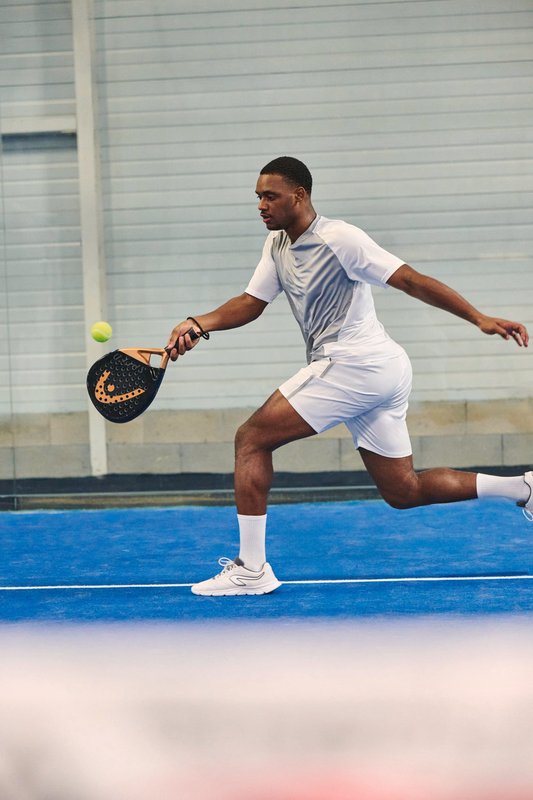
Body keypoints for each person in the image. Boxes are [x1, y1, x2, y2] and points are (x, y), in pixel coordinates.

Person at [167, 156, 531, 596]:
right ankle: (522, 486)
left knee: (251, 438)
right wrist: (199, 322)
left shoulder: (339, 238)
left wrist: (479, 318)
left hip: (356, 363)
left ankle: (251, 569)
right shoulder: (277, 246)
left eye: (270, 196)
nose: (261, 205)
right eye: (258, 197)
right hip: (380, 370)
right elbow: (251, 302)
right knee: (403, 491)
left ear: (299, 195)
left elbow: (411, 280)